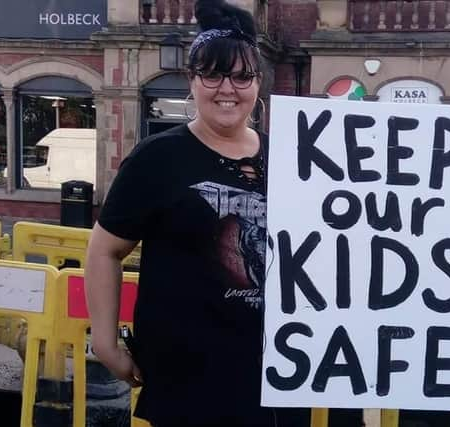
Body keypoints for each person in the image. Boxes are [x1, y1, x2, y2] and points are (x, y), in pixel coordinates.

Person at [84, 0, 313, 426]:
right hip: (187, 377)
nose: (228, 88)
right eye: (212, 73)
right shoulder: (158, 157)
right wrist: (105, 340)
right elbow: (103, 251)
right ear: (192, 79)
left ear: (258, 83)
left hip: (279, 371)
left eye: (243, 75)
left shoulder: (293, 157)